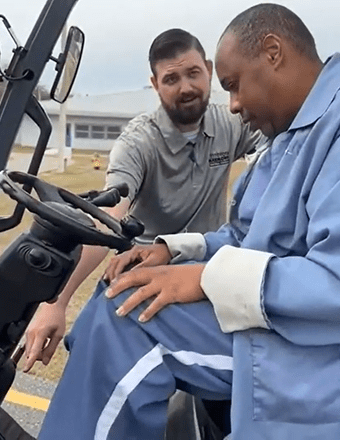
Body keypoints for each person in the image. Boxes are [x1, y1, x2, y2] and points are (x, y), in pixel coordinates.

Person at [37, 3, 340, 439]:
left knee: (125, 331)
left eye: (233, 86)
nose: (231, 106)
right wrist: (174, 251)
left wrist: (207, 278)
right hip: (286, 320)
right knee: (120, 293)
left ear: (272, 52)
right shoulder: (291, 136)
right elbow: (247, 236)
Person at [23, 28, 262, 371]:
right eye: (171, 78)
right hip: (146, 263)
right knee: (93, 351)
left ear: (209, 70)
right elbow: (107, 216)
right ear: (154, 84)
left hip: (203, 266)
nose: (186, 88)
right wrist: (56, 301)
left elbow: (281, 140)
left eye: (193, 73)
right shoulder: (138, 142)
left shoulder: (232, 122)